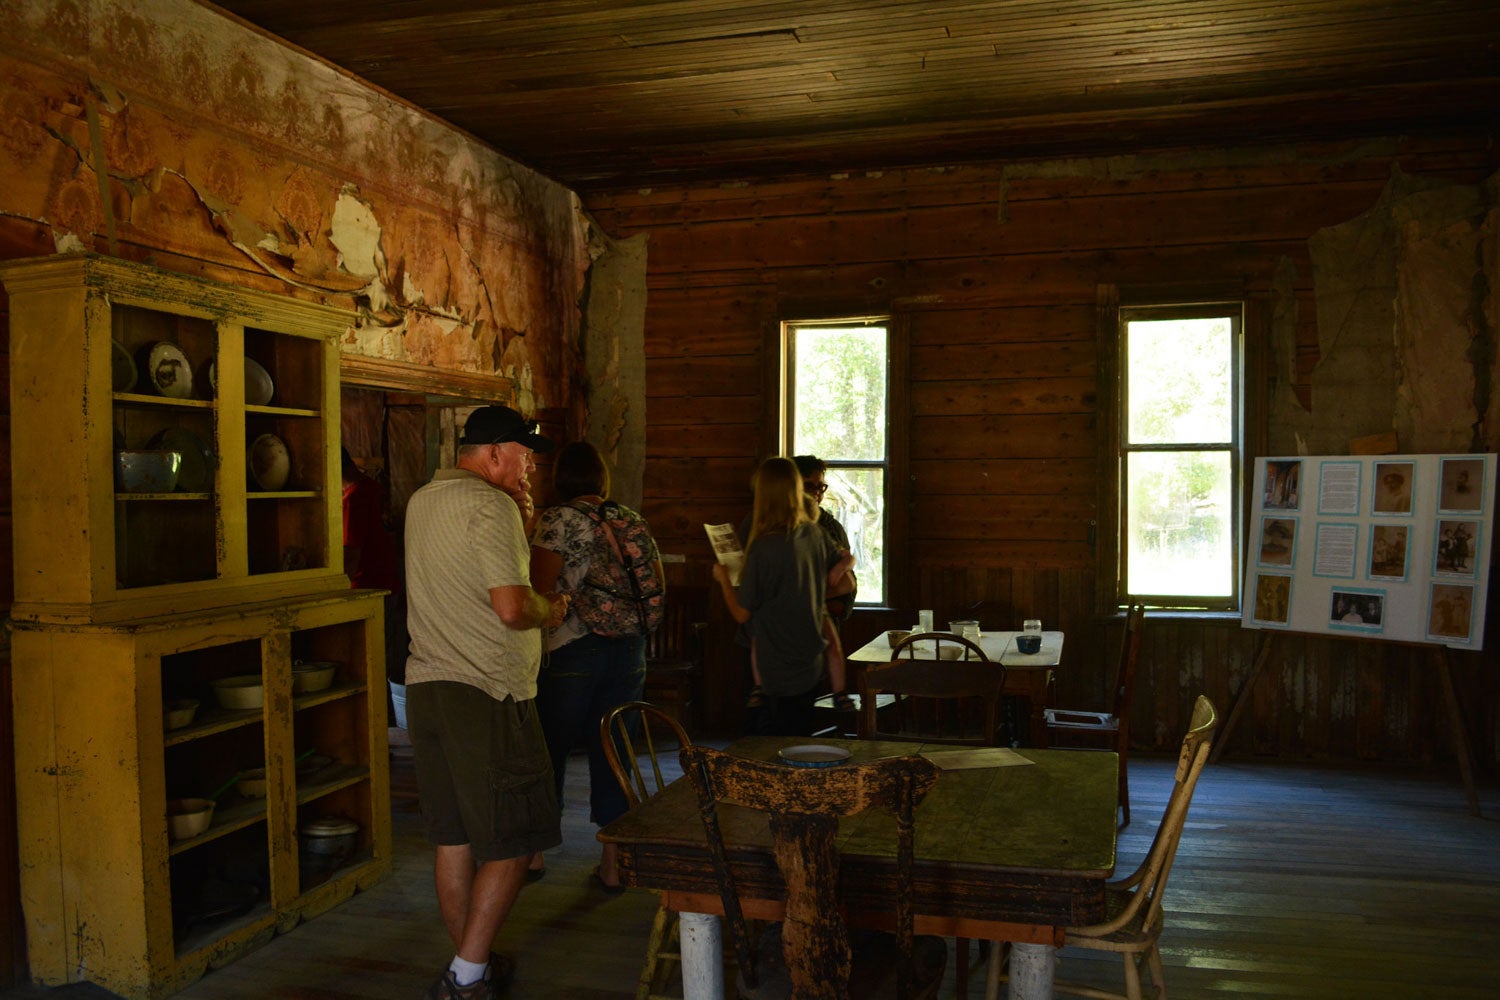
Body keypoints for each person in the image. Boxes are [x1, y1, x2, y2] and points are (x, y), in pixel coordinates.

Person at [403, 405, 570, 1000]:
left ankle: (472, 963)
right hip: (488, 692)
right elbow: (509, 607)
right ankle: (466, 978)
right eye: (524, 458)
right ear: (495, 451)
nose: (529, 470)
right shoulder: (490, 505)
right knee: (518, 840)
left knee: (454, 838)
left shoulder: (424, 499)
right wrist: (550, 608)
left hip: (427, 689)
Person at [527, 441, 663, 893]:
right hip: (630, 649)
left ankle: (533, 853)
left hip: (573, 648)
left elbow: (538, 589)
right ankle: (612, 864)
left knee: (550, 748)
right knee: (615, 751)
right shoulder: (630, 519)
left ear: (560, 479)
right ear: (601, 479)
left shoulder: (558, 520)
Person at [713, 457, 853, 736]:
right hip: (809, 661)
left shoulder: (761, 546)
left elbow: (742, 614)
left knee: (769, 744)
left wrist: (722, 579)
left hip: (773, 662)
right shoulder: (815, 533)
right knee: (799, 734)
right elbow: (846, 578)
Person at [341, 447, 407, 719]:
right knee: (384, 659)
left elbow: (351, 556)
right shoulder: (372, 488)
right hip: (386, 586)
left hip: (368, 591)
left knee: (370, 664)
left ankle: (376, 729)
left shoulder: (355, 499)